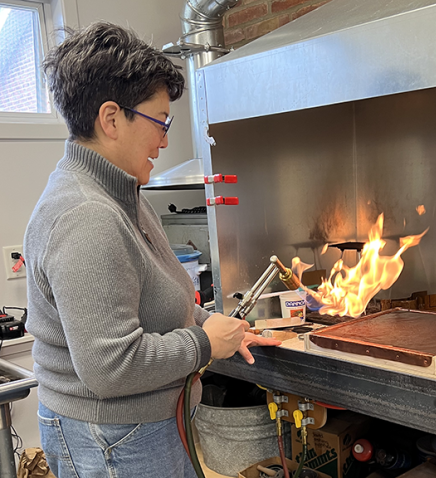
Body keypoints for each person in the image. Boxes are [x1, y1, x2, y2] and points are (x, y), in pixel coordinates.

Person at [24, 22, 280, 478]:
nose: (165, 139)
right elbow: (111, 367)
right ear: (110, 119)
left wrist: (214, 325)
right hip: (114, 441)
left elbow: (157, 299)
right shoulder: (87, 215)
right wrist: (204, 344)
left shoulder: (124, 196)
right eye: (160, 122)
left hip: (141, 431)